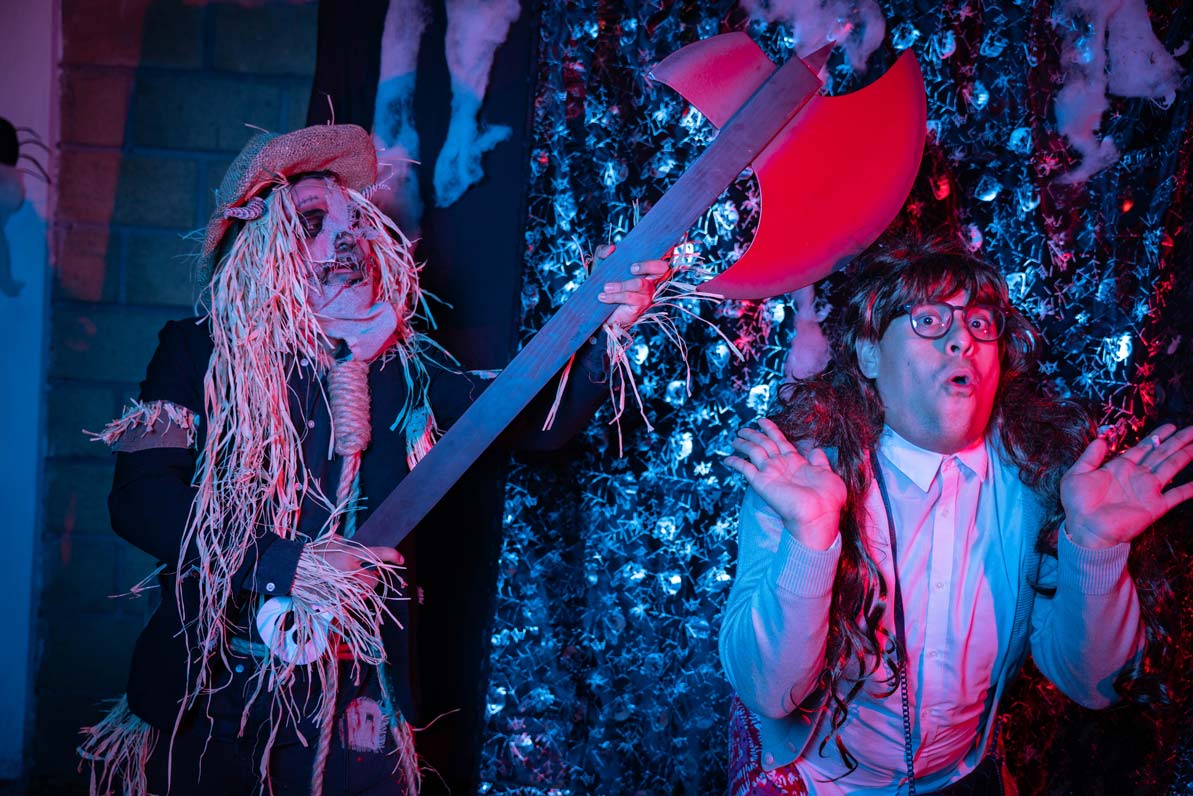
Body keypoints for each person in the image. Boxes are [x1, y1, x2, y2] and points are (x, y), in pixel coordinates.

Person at [78, 123, 668, 796]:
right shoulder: (196, 351)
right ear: (258, 244)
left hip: (352, 705)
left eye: (354, 222)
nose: (347, 239)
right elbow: (141, 499)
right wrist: (286, 562)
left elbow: (534, 422)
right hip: (207, 697)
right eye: (313, 223)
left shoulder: (406, 365)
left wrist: (601, 329)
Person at [721, 236, 1193, 795]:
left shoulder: (1040, 483)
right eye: (928, 320)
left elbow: (1094, 685)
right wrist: (810, 538)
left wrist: (1094, 547)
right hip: (815, 779)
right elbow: (767, 692)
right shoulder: (801, 478)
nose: (962, 339)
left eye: (980, 323)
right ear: (870, 355)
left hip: (962, 776)